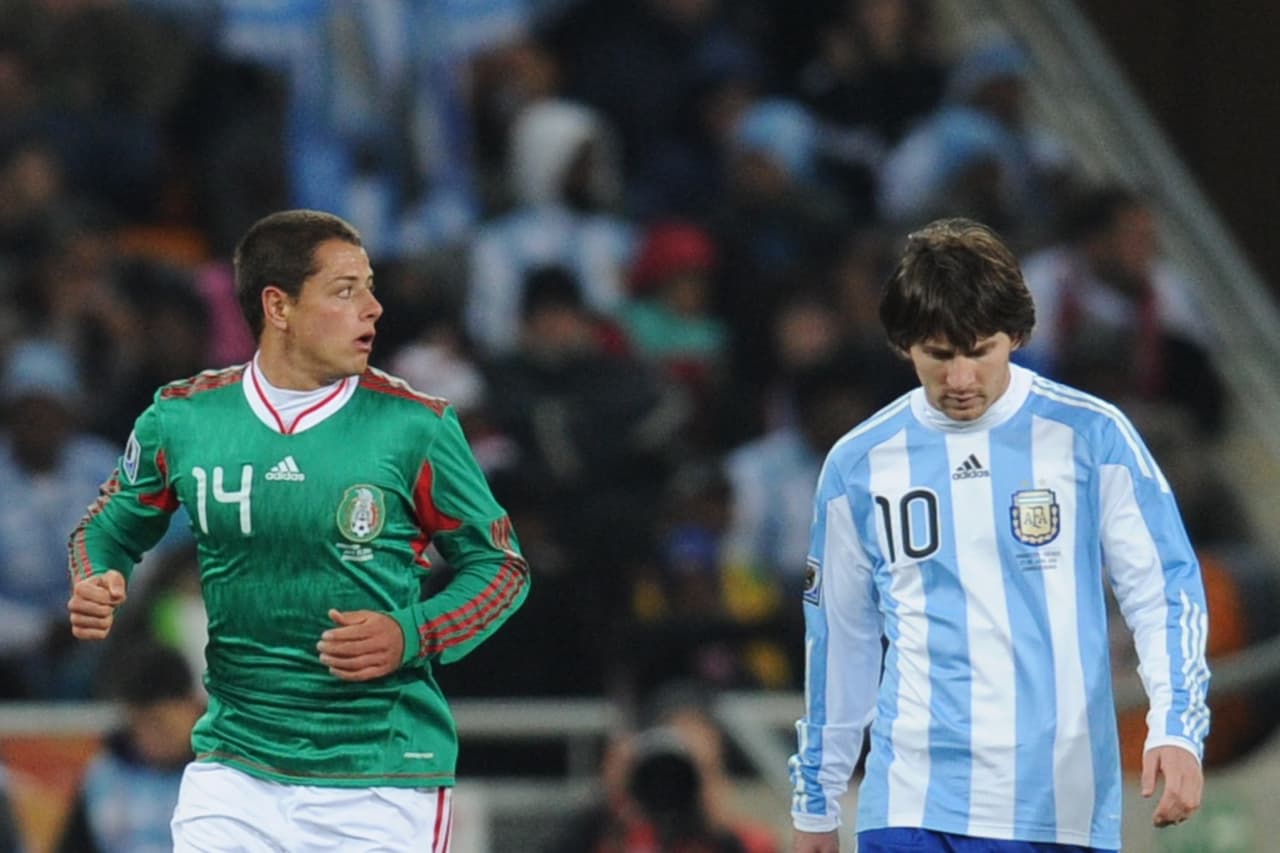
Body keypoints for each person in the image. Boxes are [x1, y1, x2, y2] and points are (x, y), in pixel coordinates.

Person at [67, 209, 530, 851]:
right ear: (278, 307)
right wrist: (96, 575)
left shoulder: (414, 427)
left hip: (381, 773)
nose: (373, 309)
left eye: (369, 287)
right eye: (345, 290)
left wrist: (411, 632)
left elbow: (501, 566)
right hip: (235, 769)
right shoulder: (184, 418)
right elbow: (107, 528)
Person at [789, 218, 1209, 852]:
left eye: (979, 350)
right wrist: (816, 800)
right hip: (910, 805)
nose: (960, 379)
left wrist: (1177, 727)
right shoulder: (859, 464)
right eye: (938, 354)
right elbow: (839, 639)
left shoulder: (1092, 438)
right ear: (905, 346)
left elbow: (1165, 591)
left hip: (1055, 808)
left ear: (1017, 335)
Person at [56, 642, 204, 853]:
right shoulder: (105, 778)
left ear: (192, 705)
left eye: (159, 724)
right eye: (138, 726)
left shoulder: (226, 773)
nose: (149, 739)